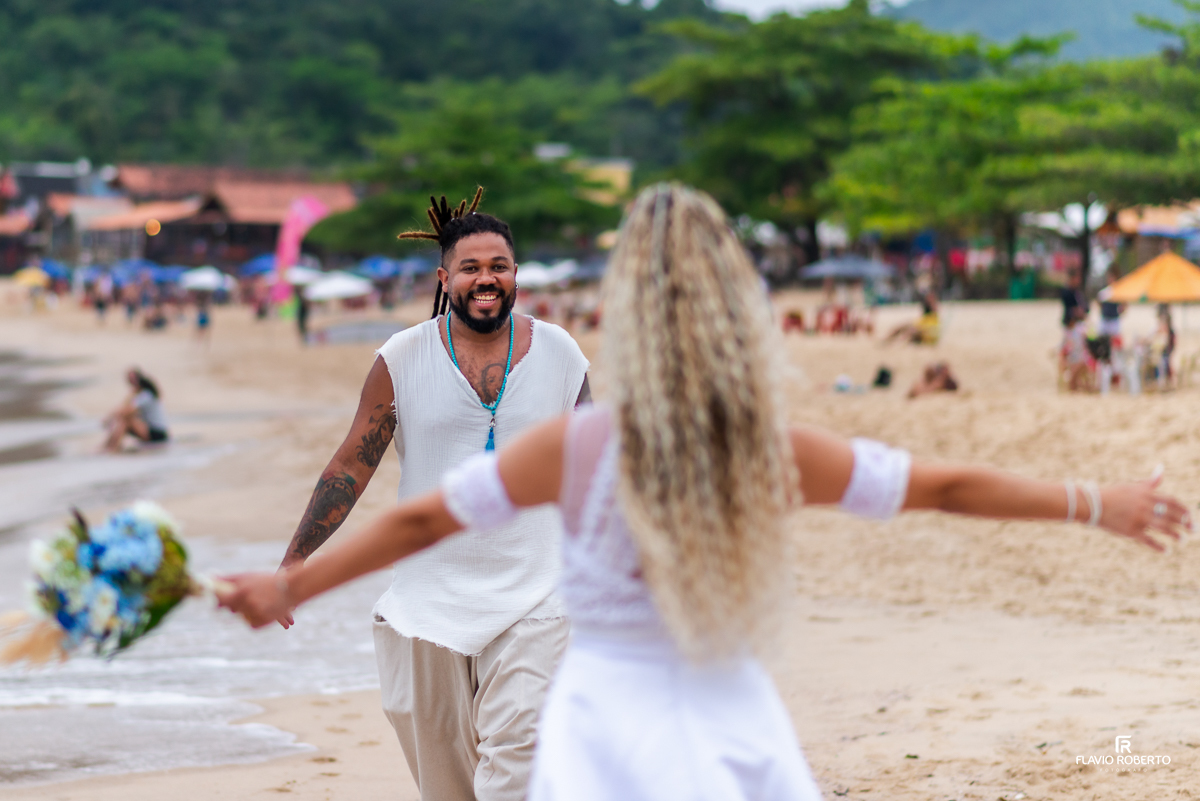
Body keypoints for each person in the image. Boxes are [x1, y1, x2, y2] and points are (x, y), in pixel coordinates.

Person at [218, 184, 1191, 801]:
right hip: (736, 736)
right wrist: (1091, 502)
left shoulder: (579, 444)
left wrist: (290, 587)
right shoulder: (769, 454)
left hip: (598, 737)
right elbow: (943, 488)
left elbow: (421, 515)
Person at [273, 189, 590, 801]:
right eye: (470, 268)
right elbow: (350, 466)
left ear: (516, 275)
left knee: (519, 766)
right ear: (446, 278)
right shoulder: (402, 358)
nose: (486, 278)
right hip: (430, 605)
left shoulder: (560, 353)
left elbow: (595, 463)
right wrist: (295, 560)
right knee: (449, 788)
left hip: (539, 595)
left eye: (498, 265)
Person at [101, 369, 168, 452]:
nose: (132, 383)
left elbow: (128, 410)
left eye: (133, 380)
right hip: (149, 430)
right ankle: (109, 446)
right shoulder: (137, 395)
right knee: (123, 421)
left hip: (158, 433)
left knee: (126, 421)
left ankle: (111, 448)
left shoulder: (146, 395)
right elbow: (124, 407)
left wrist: (109, 418)